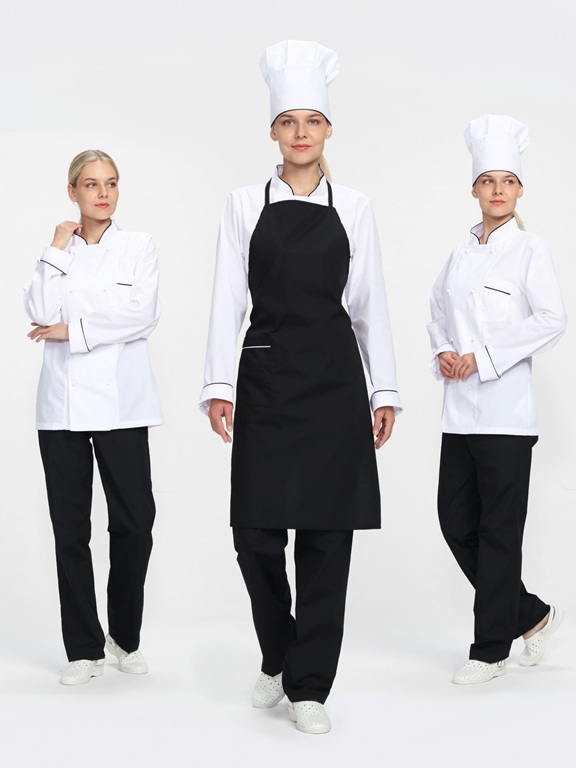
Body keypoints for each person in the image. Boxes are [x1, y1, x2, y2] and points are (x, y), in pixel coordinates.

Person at [200, 40, 401, 734]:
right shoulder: (241, 203)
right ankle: (279, 653)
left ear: (328, 130)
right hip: (265, 376)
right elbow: (227, 299)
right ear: (273, 132)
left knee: (327, 536)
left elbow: (370, 303)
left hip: (335, 382)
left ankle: (309, 685)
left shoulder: (356, 205)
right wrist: (218, 384)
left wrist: (384, 391)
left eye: (312, 121)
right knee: (255, 533)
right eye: (289, 122)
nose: (301, 133)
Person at [428, 115, 566, 685]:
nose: (498, 190)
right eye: (488, 181)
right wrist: (443, 351)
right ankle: (530, 614)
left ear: (520, 190)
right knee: (454, 522)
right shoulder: (460, 254)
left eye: (508, 181)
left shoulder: (530, 250)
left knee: (498, 532)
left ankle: (489, 651)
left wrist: (483, 357)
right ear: (475, 190)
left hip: (506, 415)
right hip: (459, 413)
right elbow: (437, 311)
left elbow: (552, 318)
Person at [24, 150, 163, 685]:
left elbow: (142, 316)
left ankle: (124, 637)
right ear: (72, 191)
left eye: (110, 183)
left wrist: (73, 330)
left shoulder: (138, 246)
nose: (102, 193)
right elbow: (40, 311)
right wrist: (56, 249)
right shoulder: (56, 253)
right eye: (90, 184)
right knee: (69, 530)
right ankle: (83, 649)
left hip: (123, 403)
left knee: (135, 523)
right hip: (61, 406)